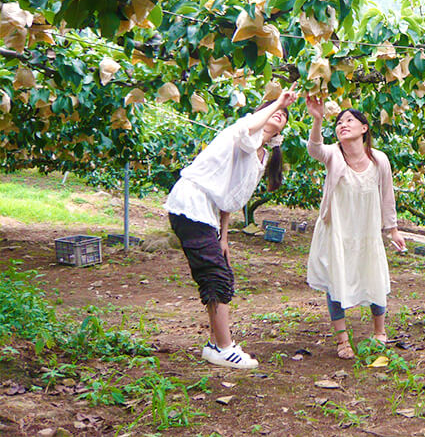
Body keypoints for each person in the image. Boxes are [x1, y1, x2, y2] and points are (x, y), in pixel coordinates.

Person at [164, 90, 296, 369]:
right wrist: (278, 102)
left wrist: (223, 237)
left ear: (282, 130)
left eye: (283, 116)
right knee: (215, 275)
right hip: (190, 202)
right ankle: (224, 347)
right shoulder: (241, 134)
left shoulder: (260, 158)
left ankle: (215, 345)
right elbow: (247, 127)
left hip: (207, 212)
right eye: (272, 110)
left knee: (221, 273)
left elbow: (231, 198)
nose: (278, 114)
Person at [304, 96, 406, 359]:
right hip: (337, 231)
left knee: (374, 275)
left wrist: (392, 229)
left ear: (364, 128)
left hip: (366, 231)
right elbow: (315, 149)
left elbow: (387, 197)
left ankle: (379, 332)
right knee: (335, 279)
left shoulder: (379, 160)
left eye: (349, 120)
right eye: (338, 122)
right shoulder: (334, 155)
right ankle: (342, 339)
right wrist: (317, 118)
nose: (342, 125)